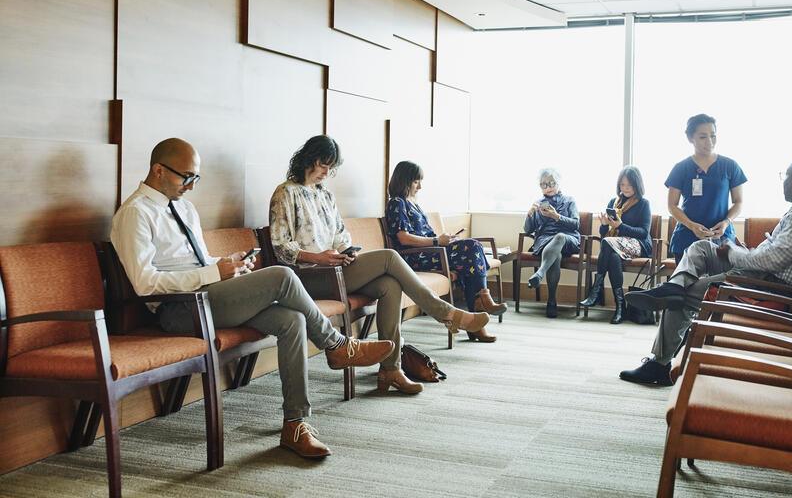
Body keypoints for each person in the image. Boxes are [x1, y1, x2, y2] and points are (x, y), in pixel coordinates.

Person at [111, 138, 395, 460]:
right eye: (186, 177)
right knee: (283, 276)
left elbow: (199, 262)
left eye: (196, 178)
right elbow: (145, 284)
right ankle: (337, 345)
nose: (191, 187)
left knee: (292, 320)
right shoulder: (134, 213)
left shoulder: (185, 209)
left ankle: (295, 424)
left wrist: (227, 265)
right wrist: (211, 274)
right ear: (158, 170)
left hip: (209, 298)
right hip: (178, 310)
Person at [269, 135, 490, 394]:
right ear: (308, 159)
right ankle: (447, 314)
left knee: (389, 284)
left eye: (331, 168)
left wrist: (346, 252)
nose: (327, 172)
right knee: (389, 257)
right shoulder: (286, 192)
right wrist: (318, 257)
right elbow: (280, 246)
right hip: (308, 277)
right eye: (323, 165)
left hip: (335, 269)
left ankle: (390, 370)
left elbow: (341, 237)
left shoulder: (325, 195)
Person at [619, 154, 792, 386]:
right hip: (761, 275)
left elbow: (771, 261)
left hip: (765, 287)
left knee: (682, 298)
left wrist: (734, 253)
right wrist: (741, 252)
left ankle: (659, 365)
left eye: (786, 175)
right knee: (702, 248)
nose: (782, 181)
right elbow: (775, 255)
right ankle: (673, 286)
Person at [385, 160, 505, 343]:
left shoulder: (413, 204)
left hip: (431, 252)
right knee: (472, 248)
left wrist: (444, 240)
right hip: (413, 257)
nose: (420, 186)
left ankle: (479, 311)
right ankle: (480, 308)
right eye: (416, 181)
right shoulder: (396, 203)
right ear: (404, 181)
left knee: (473, 251)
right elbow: (403, 238)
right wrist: (436, 241)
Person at [666, 114, 746, 263]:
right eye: (703, 137)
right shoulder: (680, 168)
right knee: (686, 285)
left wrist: (726, 222)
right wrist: (691, 226)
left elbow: (738, 202)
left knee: (719, 285)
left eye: (713, 136)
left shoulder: (730, 166)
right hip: (687, 238)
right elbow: (672, 205)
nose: (709, 141)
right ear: (690, 138)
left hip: (721, 238)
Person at [579, 166, 652, 324]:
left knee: (608, 244)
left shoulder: (643, 204)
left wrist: (620, 226)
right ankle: (620, 308)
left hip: (639, 246)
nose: (625, 188)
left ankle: (595, 291)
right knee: (612, 256)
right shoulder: (614, 202)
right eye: (622, 185)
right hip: (615, 246)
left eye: (629, 185)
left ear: (637, 185)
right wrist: (605, 224)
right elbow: (603, 234)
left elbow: (643, 233)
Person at [524, 168, 581, 318]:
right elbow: (528, 230)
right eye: (543, 185)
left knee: (560, 237)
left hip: (567, 238)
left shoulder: (569, 201)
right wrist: (529, 215)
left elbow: (575, 224)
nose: (548, 187)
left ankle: (540, 273)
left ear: (558, 183)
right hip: (545, 240)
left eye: (551, 183)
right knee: (556, 256)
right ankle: (551, 302)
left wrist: (557, 216)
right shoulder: (538, 203)